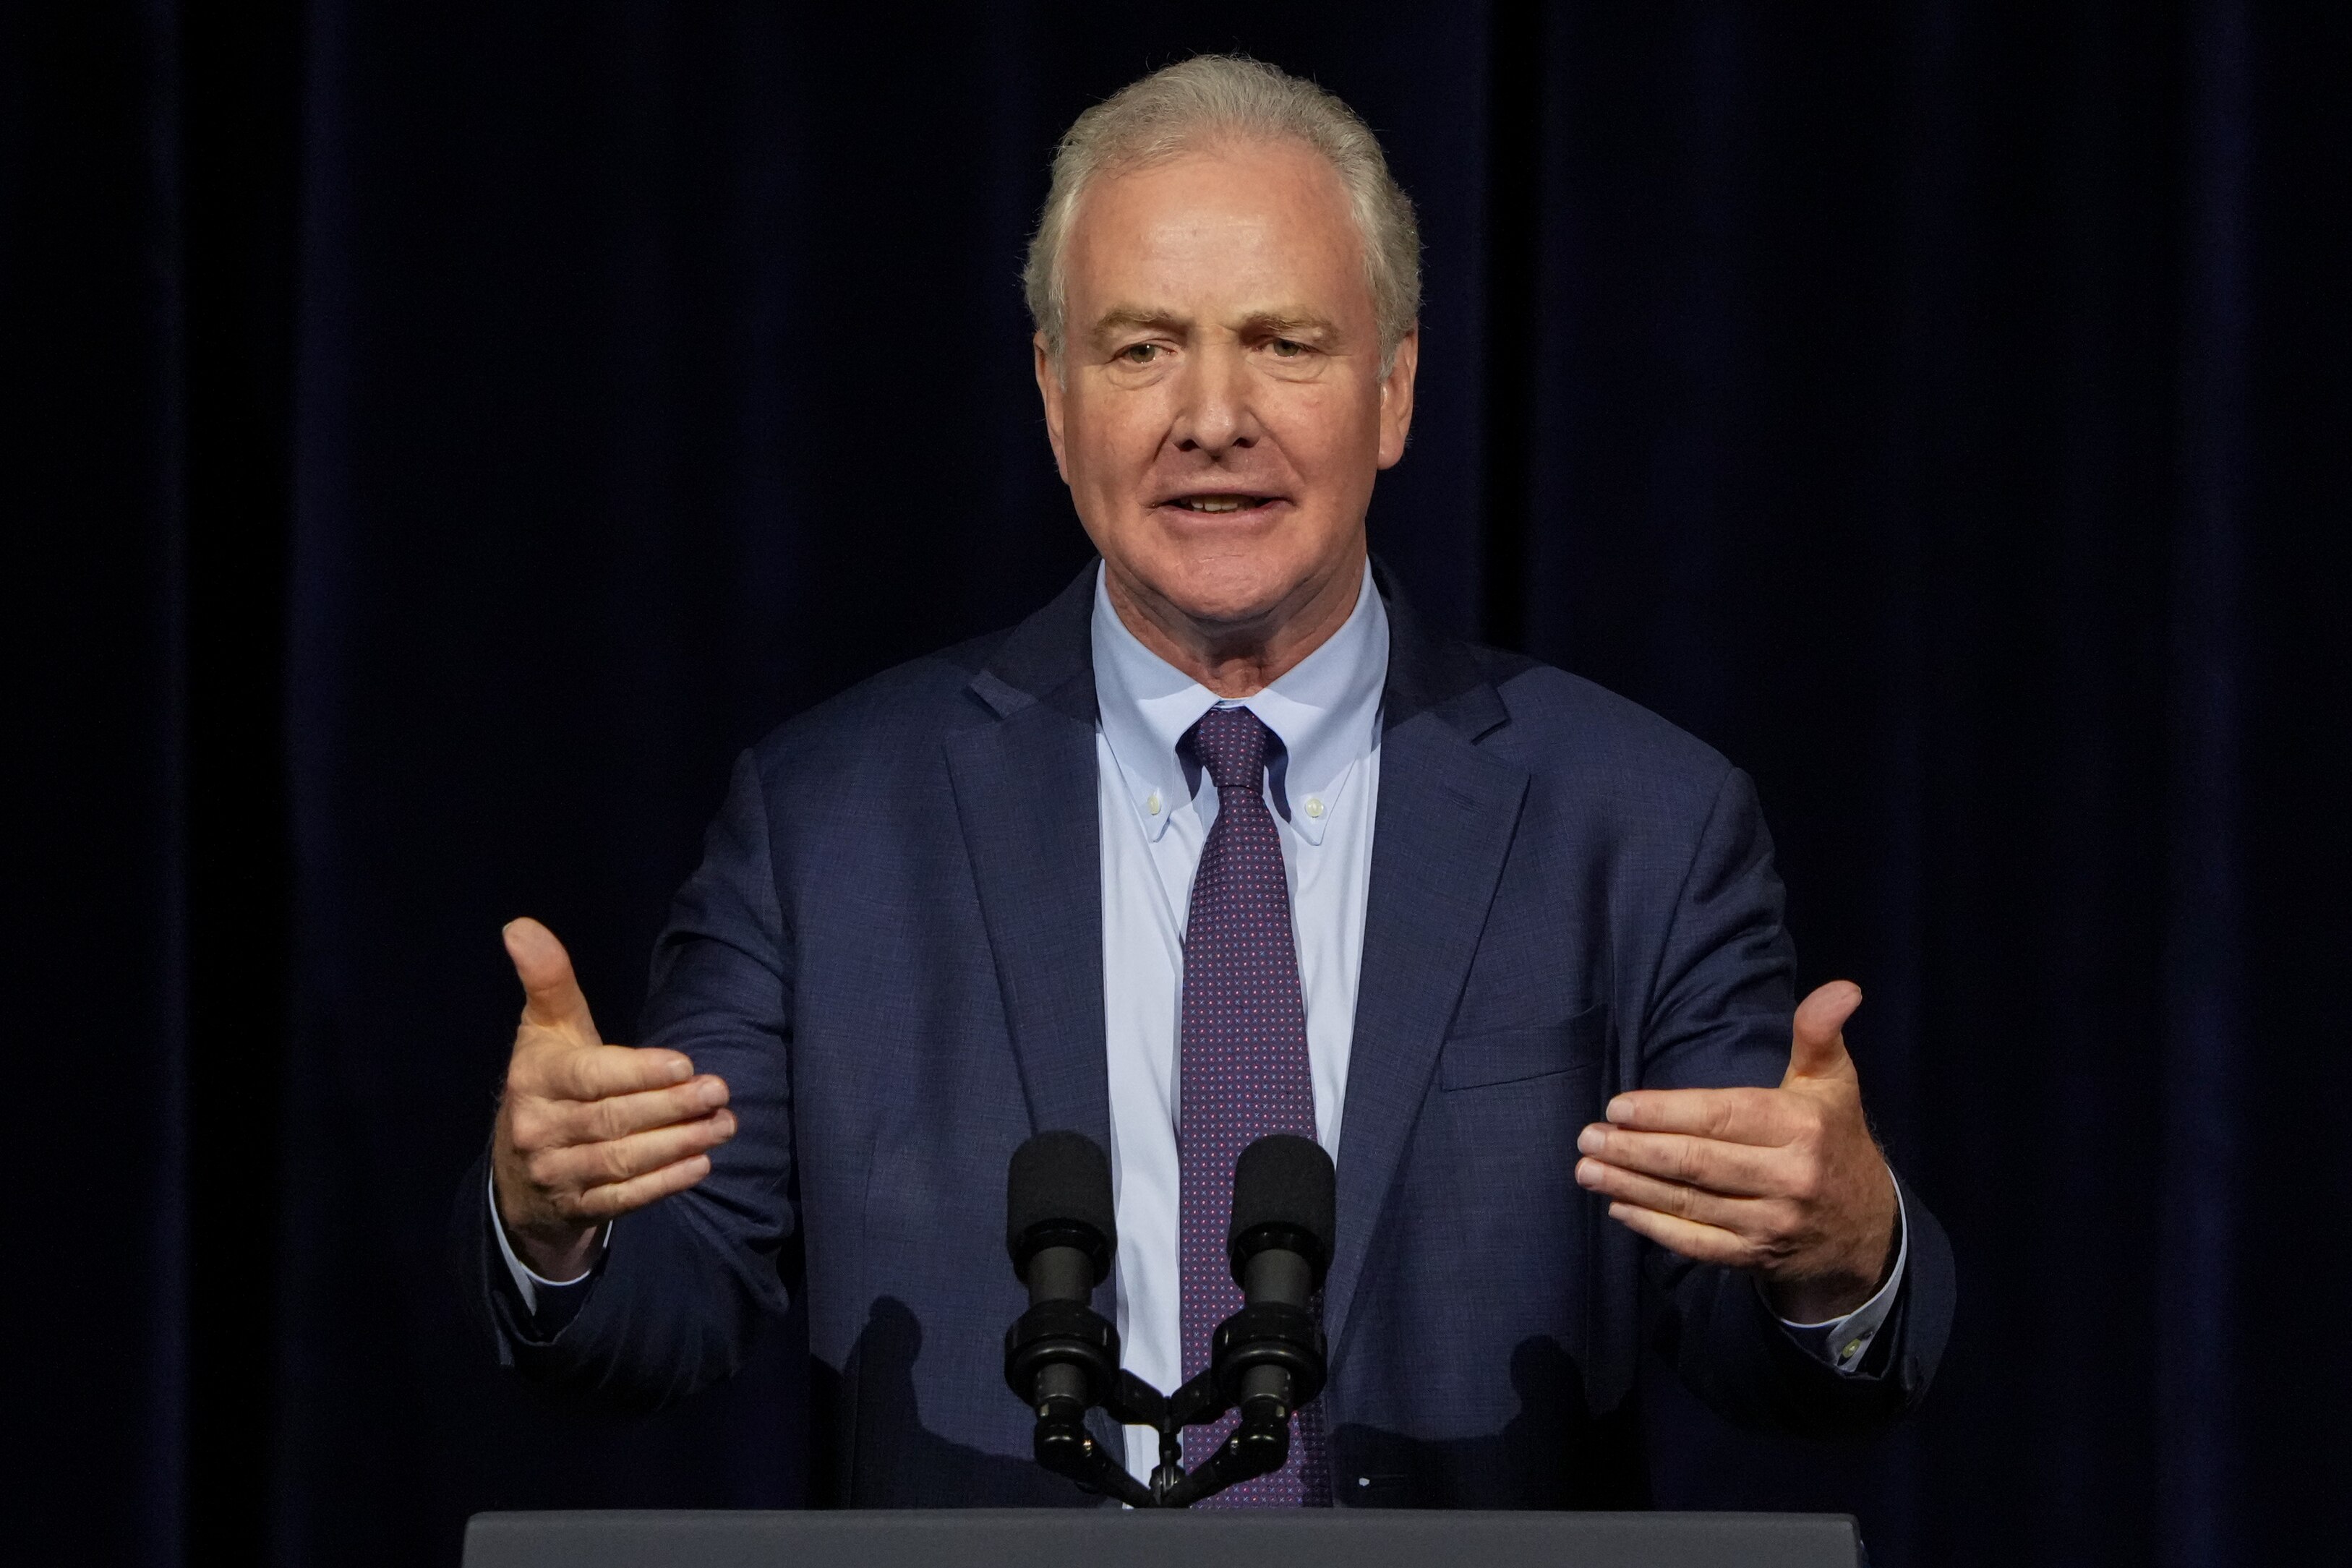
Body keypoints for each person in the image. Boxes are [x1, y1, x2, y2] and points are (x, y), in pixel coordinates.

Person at [458, 54, 1954, 1508]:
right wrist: (559, 1227)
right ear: (1055, 399)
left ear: (1394, 388)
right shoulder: (830, 821)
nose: (1211, 413)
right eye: (1139, 345)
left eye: (1285, 343)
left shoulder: (1637, 822)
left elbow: (1771, 1353)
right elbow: (659, 1318)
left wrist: (1834, 1251)